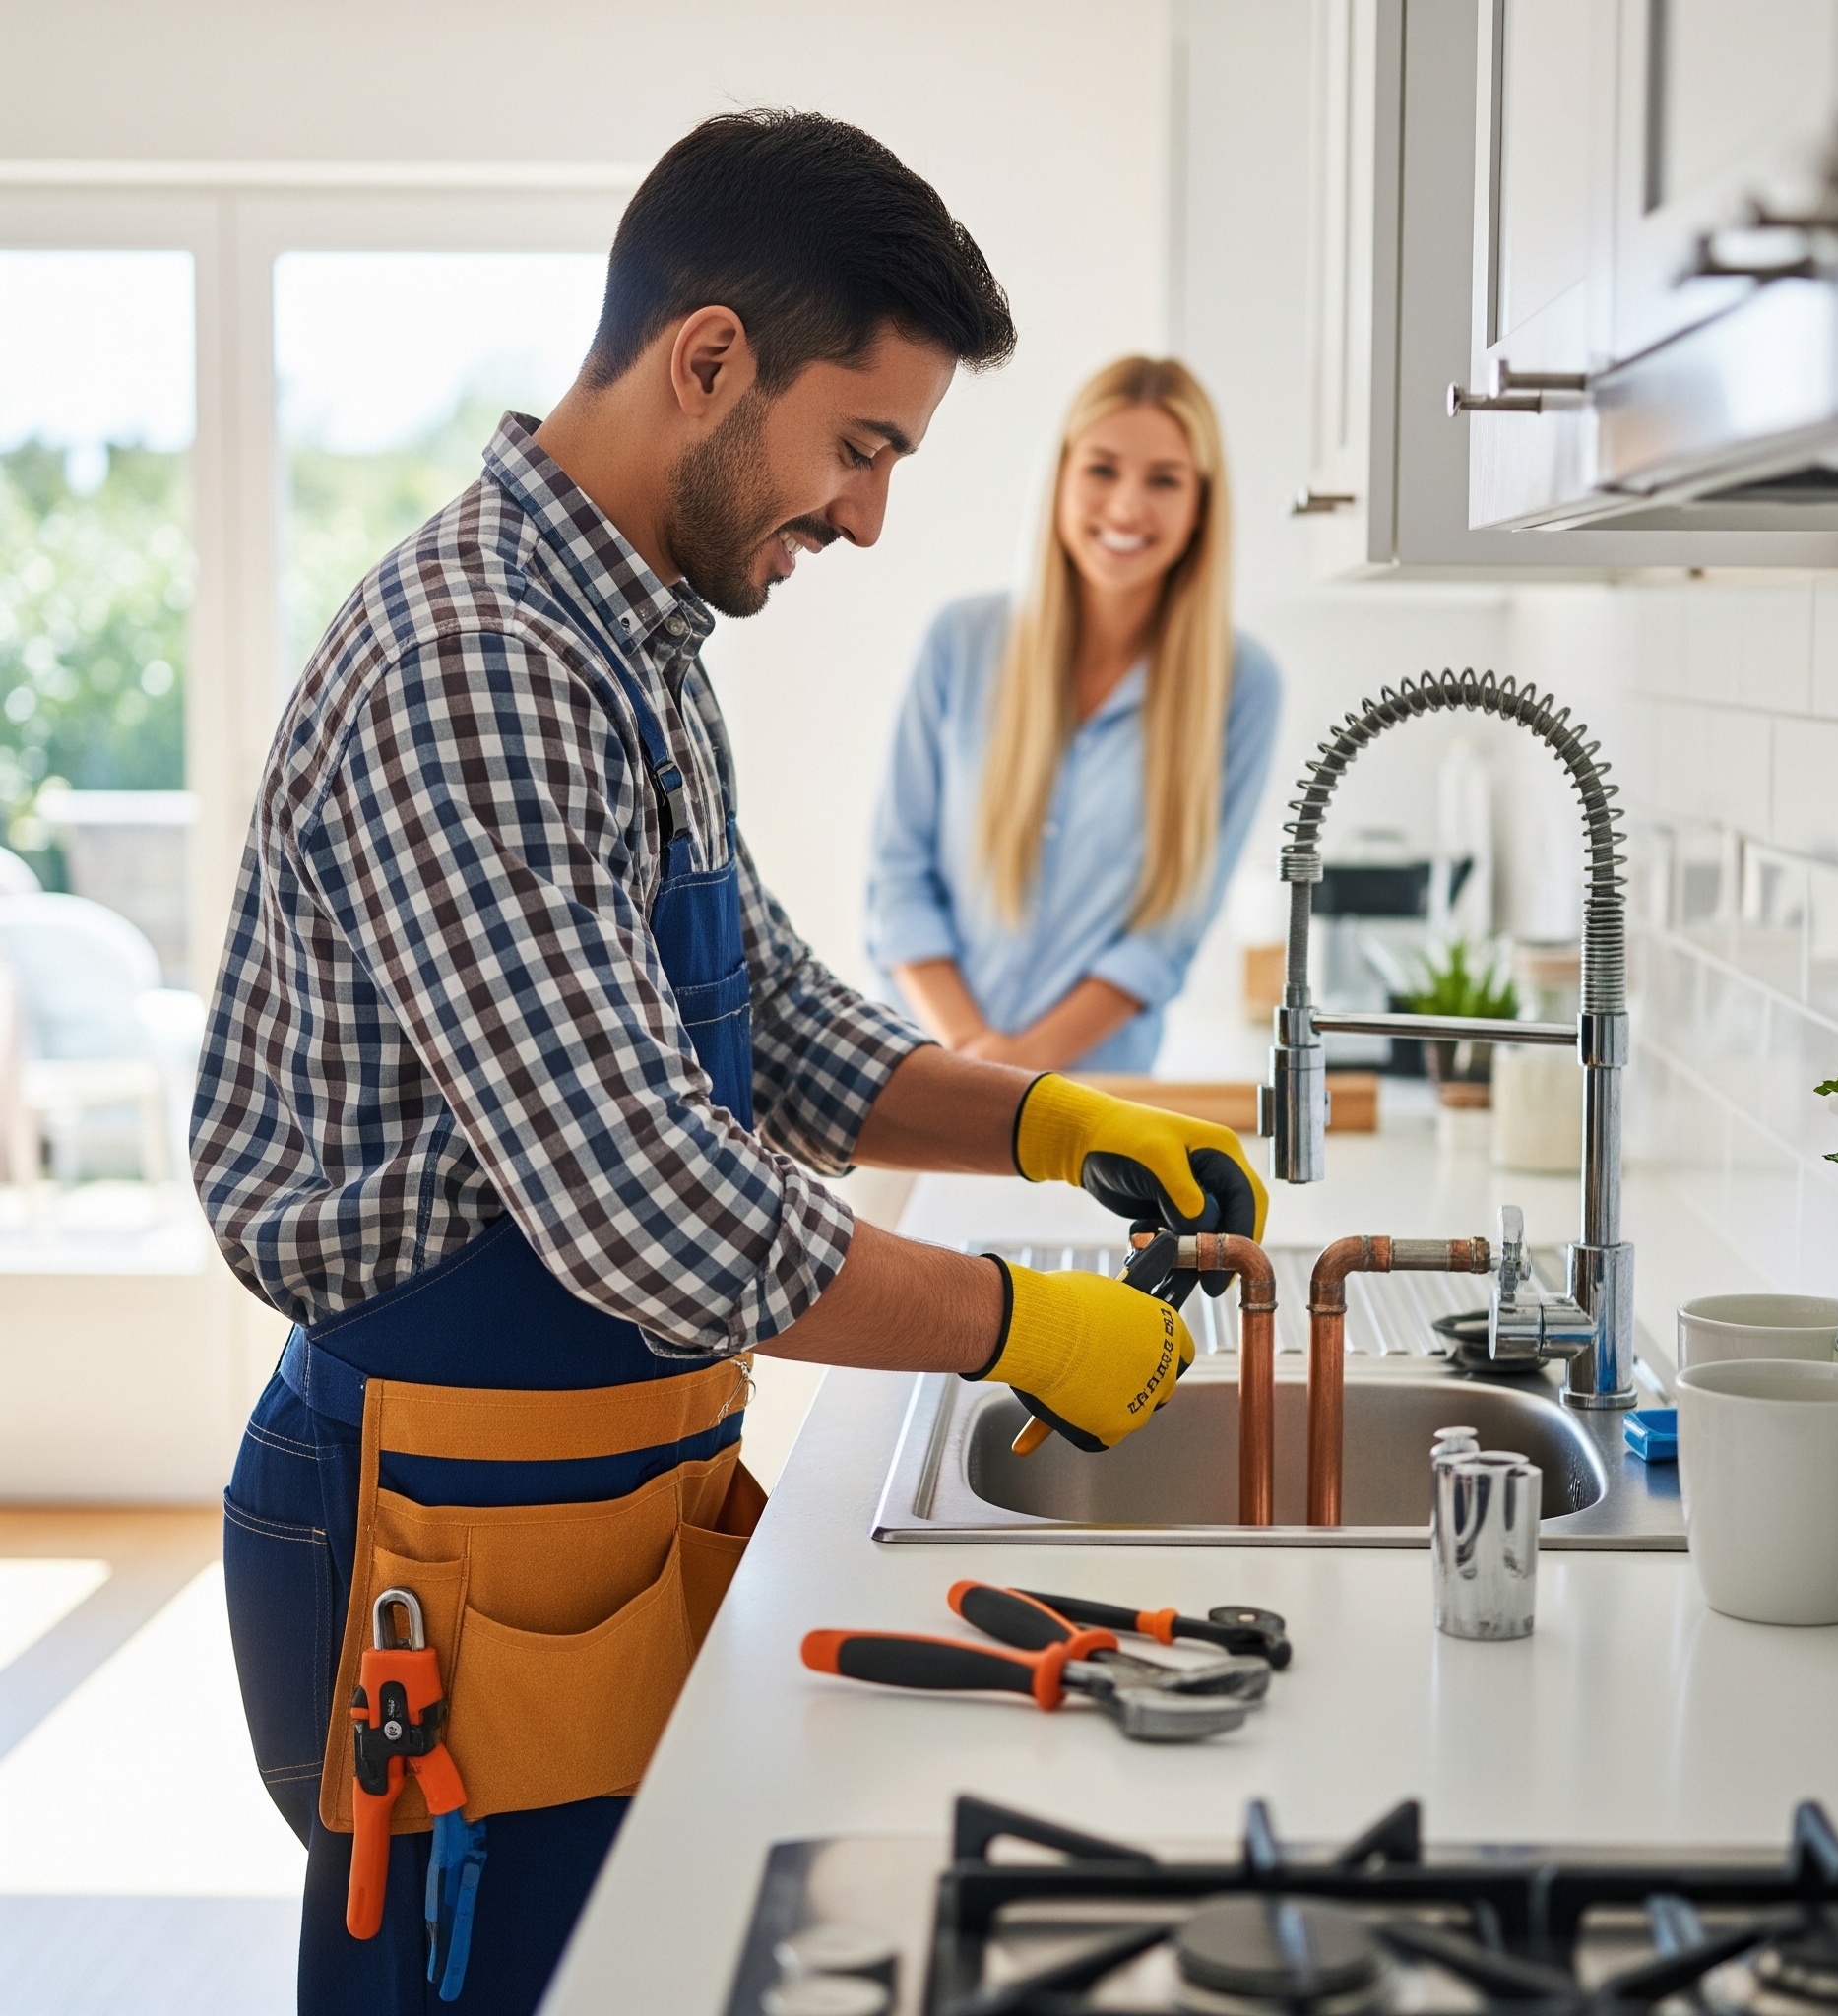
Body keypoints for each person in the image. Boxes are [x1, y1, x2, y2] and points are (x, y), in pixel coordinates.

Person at [191, 111, 1267, 2016]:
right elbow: (645, 1208)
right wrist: (1025, 1320)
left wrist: (1042, 1118)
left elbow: (757, 1005)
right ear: (708, 360)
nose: (865, 514)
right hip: (437, 1518)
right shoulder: (485, 659)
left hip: (592, 1488)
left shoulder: (636, 636)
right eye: (860, 445)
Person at [867, 356, 1281, 1073]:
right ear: (1060, 477)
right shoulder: (960, 643)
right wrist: (970, 1058)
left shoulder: (1242, 685)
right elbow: (898, 884)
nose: (1126, 507)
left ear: (1201, 505)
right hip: (923, 1075)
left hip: (1096, 1104)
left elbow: (1164, 937)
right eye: (1101, 469)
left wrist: (1021, 1073)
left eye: (1164, 480)